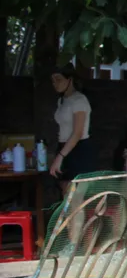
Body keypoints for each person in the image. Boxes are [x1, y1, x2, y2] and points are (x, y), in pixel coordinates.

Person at [49, 63, 97, 192]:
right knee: (65, 193)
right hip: (64, 148)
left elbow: (78, 133)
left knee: (74, 197)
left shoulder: (79, 100)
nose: (55, 84)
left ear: (70, 79)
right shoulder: (62, 101)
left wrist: (60, 156)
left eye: (58, 79)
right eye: (53, 80)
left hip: (79, 150)